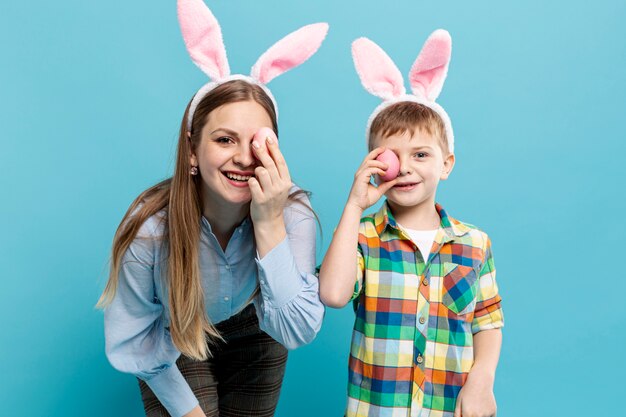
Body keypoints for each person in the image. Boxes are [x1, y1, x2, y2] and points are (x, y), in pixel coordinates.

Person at [97, 1, 329, 416]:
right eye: (224, 140)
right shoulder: (150, 230)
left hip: (258, 328)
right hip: (175, 334)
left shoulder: (293, 213)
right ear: (192, 151)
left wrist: (269, 221)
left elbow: (296, 329)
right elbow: (135, 338)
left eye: (258, 142)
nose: (243, 157)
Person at [318, 30, 504, 417]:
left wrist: (481, 383)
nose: (404, 168)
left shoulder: (475, 244)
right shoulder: (365, 236)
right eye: (390, 156)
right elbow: (333, 294)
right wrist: (355, 205)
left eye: (420, 154)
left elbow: (487, 322)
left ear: (446, 164)